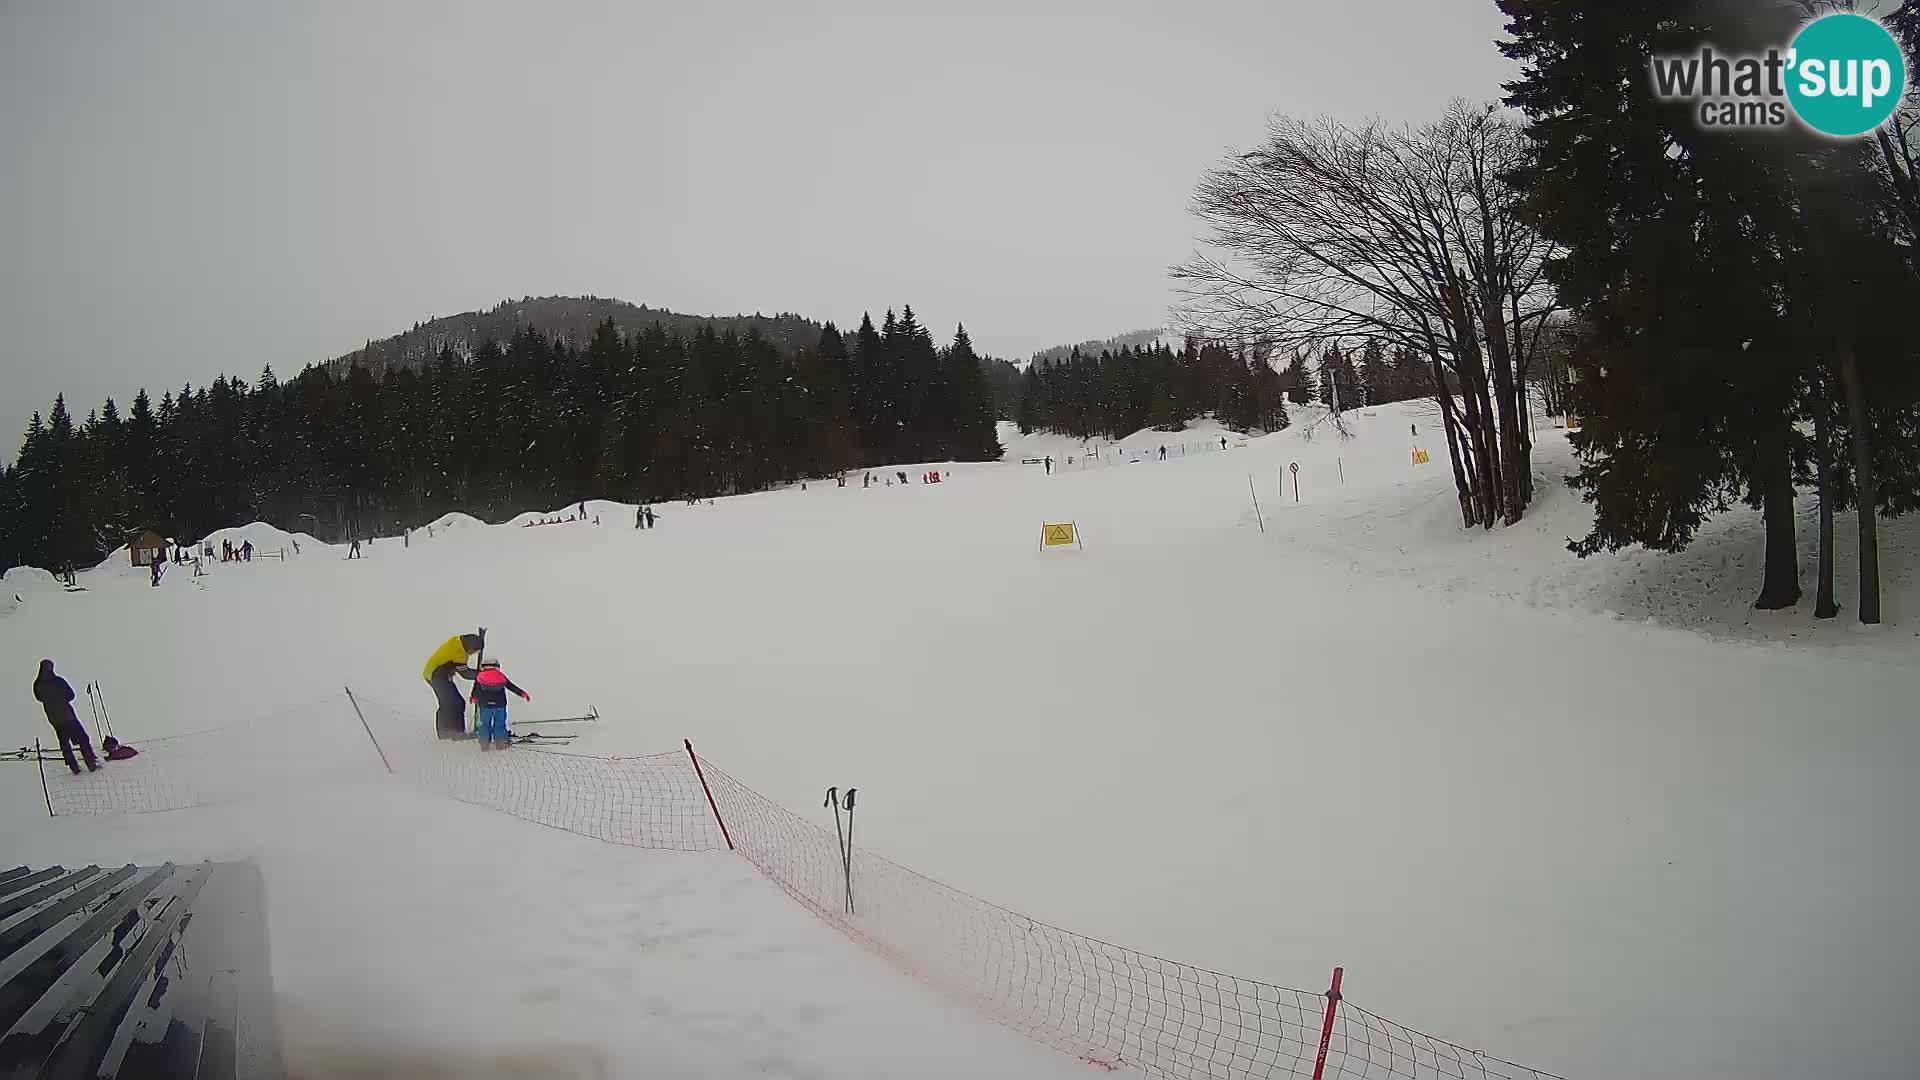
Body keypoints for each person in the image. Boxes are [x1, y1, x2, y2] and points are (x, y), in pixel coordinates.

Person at [33, 660, 98, 774]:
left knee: (64, 742)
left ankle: (73, 766)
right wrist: (61, 700)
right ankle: (91, 762)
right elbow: (71, 695)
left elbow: (39, 698)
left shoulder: (38, 684)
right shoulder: (58, 681)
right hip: (67, 715)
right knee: (83, 738)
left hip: (54, 718)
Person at [422, 632, 484, 738]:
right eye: (474, 652)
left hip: (437, 674)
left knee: (454, 702)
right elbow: (465, 673)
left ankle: (450, 731)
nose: (472, 654)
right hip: (436, 676)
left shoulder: (457, 641)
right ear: (470, 648)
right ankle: (452, 733)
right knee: (450, 704)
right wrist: (480, 674)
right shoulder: (459, 653)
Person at [469, 658, 530, 750]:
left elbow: (476, 690)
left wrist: (473, 698)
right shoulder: (501, 676)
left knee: (484, 724)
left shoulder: (480, 676)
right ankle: (500, 743)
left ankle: (484, 743)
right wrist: (522, 694)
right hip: (499, 705)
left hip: (485, 706)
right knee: (500, 724)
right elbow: (511, 686)